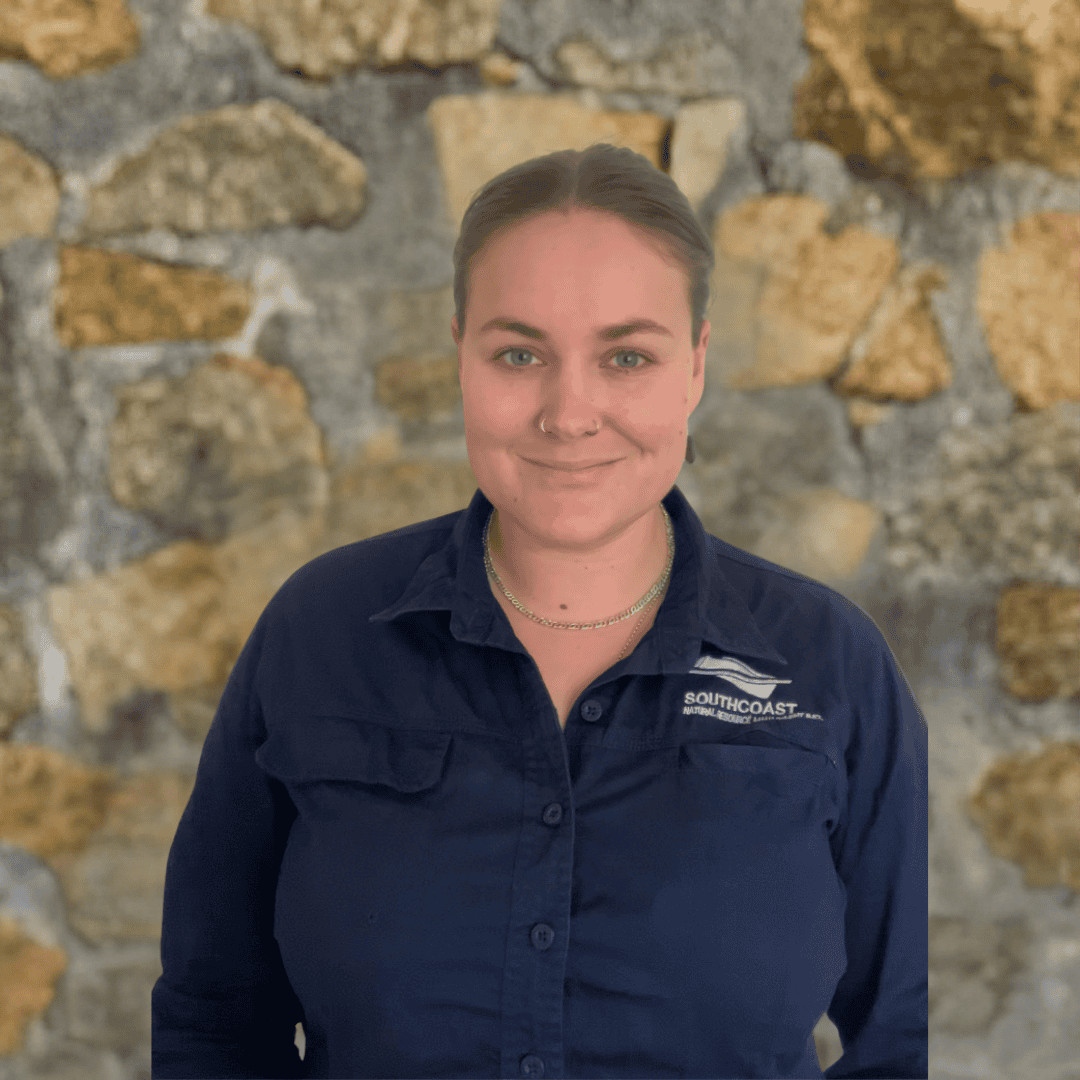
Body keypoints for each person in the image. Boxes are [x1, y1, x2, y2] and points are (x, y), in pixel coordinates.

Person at [151, 143, 928, 1079]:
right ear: (462, 359)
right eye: (520, 354)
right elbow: (213, 1017)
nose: (570, 411)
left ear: (695, 367)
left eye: (627, 356)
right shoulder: (319, 635)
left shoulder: (831, 667)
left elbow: (903, 1035)